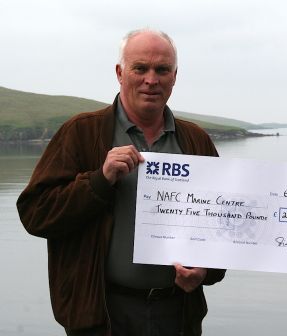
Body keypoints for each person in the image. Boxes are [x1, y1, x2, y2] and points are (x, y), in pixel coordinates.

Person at [17, 28, 225, 336]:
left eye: (162, 70)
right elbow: (35, 214)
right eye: (140, 68)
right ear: (120, 72)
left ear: (175, 76)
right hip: (102, 314)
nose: (151, 80)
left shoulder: (195, 140)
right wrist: (99, 181)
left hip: (177, 314)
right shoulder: (81, 132)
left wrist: (206, 271)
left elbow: (224, 223)